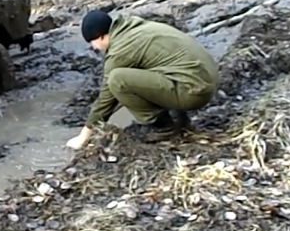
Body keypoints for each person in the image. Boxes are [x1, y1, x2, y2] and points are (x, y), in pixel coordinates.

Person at [65, 10, 220, 150]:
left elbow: (106, 100)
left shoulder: (120, 50)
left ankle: (163, 127)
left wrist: (83, 137)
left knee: (117, 79)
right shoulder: (133, 26)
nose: (94, 48)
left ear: (101, 36)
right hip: (207, 79)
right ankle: (179, 119)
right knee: (153, 68)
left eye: (93, 43)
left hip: (195, 92)